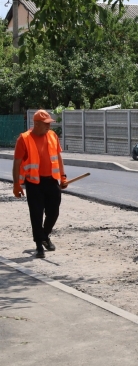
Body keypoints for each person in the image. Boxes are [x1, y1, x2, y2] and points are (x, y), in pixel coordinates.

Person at [12, 110, 69, 258]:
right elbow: (17, 163)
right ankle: (39, 245)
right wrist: (16, 184)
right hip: (33, 183)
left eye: (50, 124)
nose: (49, 127)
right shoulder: (24, 139)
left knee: (54, 212)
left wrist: (63, 177)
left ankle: (44, 235)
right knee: (36, 215)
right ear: (36, 124)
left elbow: (58, 157)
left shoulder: (52, 136)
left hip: (51, 181)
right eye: (46, 124)